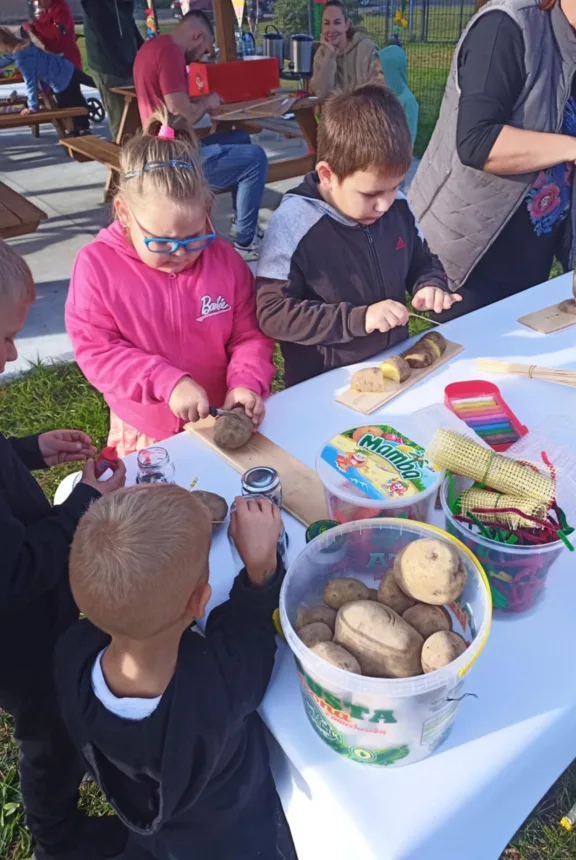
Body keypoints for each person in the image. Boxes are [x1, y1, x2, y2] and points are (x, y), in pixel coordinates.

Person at [53, 485, 296, 859]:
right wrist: (260, 571)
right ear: (200, 602)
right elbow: (250, 636)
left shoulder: (71, 655)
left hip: (162, 838)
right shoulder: (217, 686)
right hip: (236, 839)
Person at [0, 239, 127, 860]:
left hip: (31, 607)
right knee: (46, 730)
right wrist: (81, 507)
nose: (13, 353)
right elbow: (15, 569)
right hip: (13, 634)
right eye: (0, 339)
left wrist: (27, 450)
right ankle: (59, 838)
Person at [408, 0, 576, 321]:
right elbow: (478, 142)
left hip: (535, 243)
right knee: (471, 355)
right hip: (468, 247)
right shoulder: (506, 27)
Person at [66, 110, 275, 457]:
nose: (181, 253)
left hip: (218, 418)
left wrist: (245, 384)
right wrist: (166, 381)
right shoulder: (96, 267)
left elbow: (249, 336)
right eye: (162, 243)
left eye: (195, 237)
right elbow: (97, 351)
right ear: (124, 214)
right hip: (147, 426)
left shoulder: (225, 262)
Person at [255, 85, 458, 388]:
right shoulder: (294, 224)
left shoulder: (397, 207)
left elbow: (422, 260)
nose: (385, 203)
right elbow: (272, 313)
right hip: (328, 384)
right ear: (327, 175)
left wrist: (429, 283)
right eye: (371, 193)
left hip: (393, 366)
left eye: (395, 186)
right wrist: (358, 319)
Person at [133, 10, 268, 261]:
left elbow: (170, 102)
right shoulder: (171, 53)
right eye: (204, 49)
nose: (203, 56)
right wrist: (206, 102)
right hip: (173, 163)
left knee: (240, 138)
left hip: (159, 150)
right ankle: (246, 242)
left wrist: (197, 100)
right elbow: (179, 116)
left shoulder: (153, 46)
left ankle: (242, 225)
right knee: (256, 158)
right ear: (197, 36)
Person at [0, 26, 94, 135]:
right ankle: (85, 126)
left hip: (60, 81)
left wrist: (32, 107)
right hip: (68, 68)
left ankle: (76, 132)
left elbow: (30, 83)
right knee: (84, 93)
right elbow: (9, 57)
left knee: (65, 110)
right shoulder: (25, 46)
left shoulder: (23, 61)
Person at [81, 0, 143, 140]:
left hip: (128, 64)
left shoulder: (124, 4)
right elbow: (105, 39)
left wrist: (146, 48)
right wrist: (124, 67)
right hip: (108, 67)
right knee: (122, 121)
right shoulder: (95, 4)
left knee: (136, 118)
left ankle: (138, 154)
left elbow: (130, 24)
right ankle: (123, 155)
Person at [310, 0, 385, 99]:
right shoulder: (321, 54)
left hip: (364, 111)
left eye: (337, 22)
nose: (331, 29)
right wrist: (329, 57)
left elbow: (378, 90)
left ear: (347, 24)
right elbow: (321, 93)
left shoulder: (366, 48)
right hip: (335, 113)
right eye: (327, 23)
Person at [379, 43, 418, 147]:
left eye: (382, 73)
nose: (378, 77)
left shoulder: (407, 100)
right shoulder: (382, 95)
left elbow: (410, 135)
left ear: (394, 73)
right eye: (376, 72)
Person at [24, 0, 82, 69]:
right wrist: (31, 28)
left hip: (66, 60)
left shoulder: (61, 9)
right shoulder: (43, 10)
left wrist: (37, 25)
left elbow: (56, 33)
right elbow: (41, 34)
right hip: (50, 61)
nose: (38, 2)